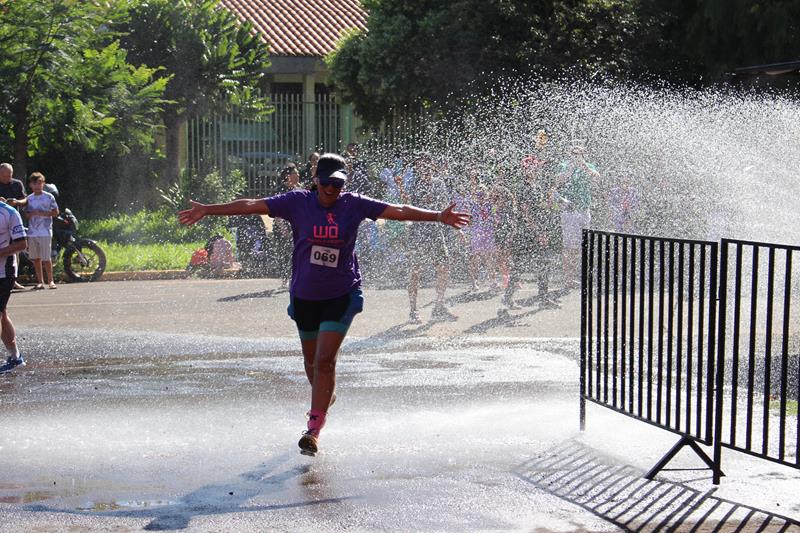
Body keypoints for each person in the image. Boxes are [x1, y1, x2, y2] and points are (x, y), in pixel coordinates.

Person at [178, 153, 470, 456]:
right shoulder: (297, 202)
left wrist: (438, 216)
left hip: (341, 294)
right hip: (304, 295)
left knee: (325, 360)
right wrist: (208, 211)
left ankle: (313, 429)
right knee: (311, 363)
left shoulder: (353, 203)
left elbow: (396, 210)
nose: (333, 190)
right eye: (327, 183)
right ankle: (324, 396)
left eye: (338, 184)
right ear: (316, 180)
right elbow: (252, 205)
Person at [397, 154, 457, 323]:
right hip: (418, 231)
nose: (423, 167)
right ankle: (413, 310)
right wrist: (401, 187)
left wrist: (455, 227)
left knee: (444, 267)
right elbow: (406, 204)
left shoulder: (439, 183)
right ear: (417, 167)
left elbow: (445, 206)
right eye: (420, 164)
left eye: (427, 163)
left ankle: (438, 306)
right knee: (416, 271)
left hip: (435, 230)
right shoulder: (414, 184)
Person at [556, 140, 600, 288]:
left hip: (584, 210)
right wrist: (570, 168)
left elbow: (597, 178)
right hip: (570, 211)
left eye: (580, 153)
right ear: (570, 153)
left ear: (584, 154)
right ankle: (568, 277)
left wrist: (584, 167)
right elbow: (558, 181)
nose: (577, 155)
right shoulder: (564, 165)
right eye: (574, 153)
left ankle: (579, 275)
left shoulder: (589, 166)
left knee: (583, 245)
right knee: (569, 246)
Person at [0, 194, 28, 371]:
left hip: (4, 272)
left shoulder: (8, 213)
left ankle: (15, 357)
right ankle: (15, 357)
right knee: (2, 313)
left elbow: (22, 244)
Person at [20, 172, 59, 289]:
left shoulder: (49, 197)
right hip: (32, 232)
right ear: (31, 185)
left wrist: (41, 213)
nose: (37, 186)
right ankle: (40, 282)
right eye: (35, 183)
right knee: (36, 258)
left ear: (43, 184)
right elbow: (26, 214)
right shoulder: (29, 198)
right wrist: (30, 214)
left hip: (45, 231)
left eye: (40, 183)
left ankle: (51, 281)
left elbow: (56, 212)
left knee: (46, 258)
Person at [0, 163, 27, 290]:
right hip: (1, 221)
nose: (7, 178)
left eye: (9, 175)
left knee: (15, 249)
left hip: (14, 220)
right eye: (4, 176)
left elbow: (25, 200)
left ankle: (13, 278)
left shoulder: (17, 184)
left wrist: (16, 202)